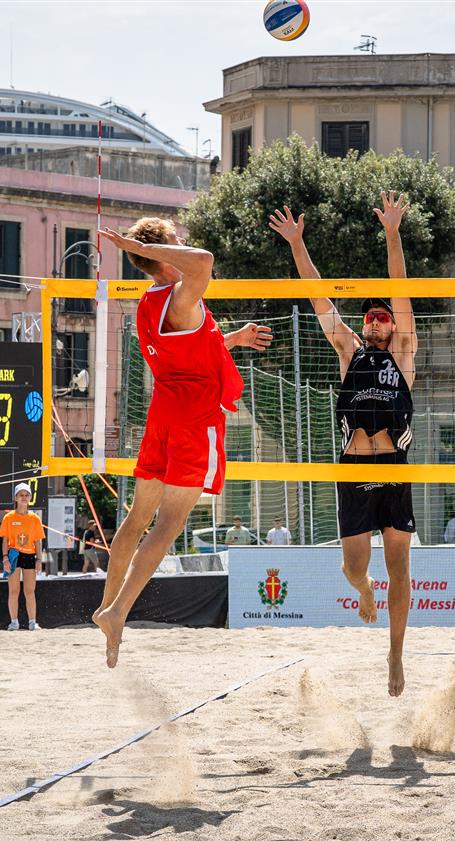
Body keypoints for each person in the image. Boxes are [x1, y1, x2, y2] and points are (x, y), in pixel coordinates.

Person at [92, 219, 272, 666]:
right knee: (168, 525)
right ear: (163, 252)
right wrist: (141, 245)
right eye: (175, 238)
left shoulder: (150, 302)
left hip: (164, 414)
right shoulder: (181, 295)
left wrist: (233, 340)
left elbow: (189, 352)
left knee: (136, 520)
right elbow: (204, 261)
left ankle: (109, 611)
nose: (183, 242)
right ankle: (117, 612)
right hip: (194, 418)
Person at [269, 191, 417, 698]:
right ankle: (365, 589)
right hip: (353, 469)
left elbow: (400, 289)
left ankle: (395, 654)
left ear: (393, 326)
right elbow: (318, 297)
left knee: (400, 568)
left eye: (382, 316)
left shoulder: (404, 354)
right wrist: (297, 243)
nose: (376, 320)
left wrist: (393, 234)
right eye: (370, 316)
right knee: (355, 569)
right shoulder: (349, 351)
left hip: (393, 467)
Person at [2, 483, 44, 630]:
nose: (24, 497)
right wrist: (5, 558)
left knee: (30, 591)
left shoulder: (35, 518)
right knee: (13, 591)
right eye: (21, 495)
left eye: (26, 495)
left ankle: (32, 622)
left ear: (30, 497)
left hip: (30, 555)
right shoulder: (8, 517)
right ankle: (14, 622)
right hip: (14, 555)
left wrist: (39, 559)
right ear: (16, 498)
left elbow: (38, 541)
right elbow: (5, 540)